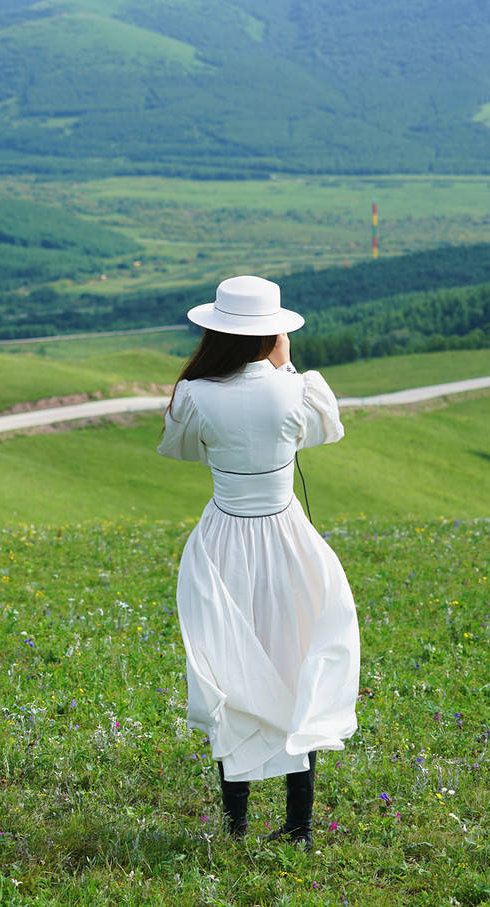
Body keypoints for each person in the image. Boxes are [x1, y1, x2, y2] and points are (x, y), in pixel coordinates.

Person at [157, 275, 360, 848]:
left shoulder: (194, 393)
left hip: (222, 539)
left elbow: (182, 448)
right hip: (286, 537)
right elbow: (328, 431)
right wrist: (287, 369)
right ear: (273, 333)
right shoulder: (299, 389)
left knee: (229, 673)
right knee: (298, 663)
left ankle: (235, 826)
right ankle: (299, 826)